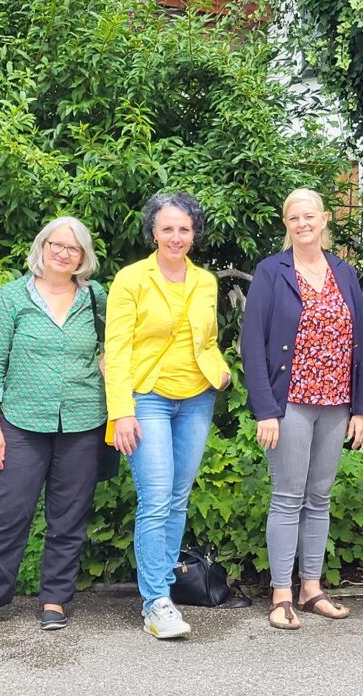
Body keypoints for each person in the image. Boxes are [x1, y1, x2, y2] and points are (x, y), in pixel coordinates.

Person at [0, 217, 106, 633]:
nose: (63, 253)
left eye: (72, 248)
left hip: (82, 420)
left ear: (83, 257)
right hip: (20, 422)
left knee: (69, 516)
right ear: (42, 247)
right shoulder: (12, 297)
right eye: (56, 244)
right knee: (11, 512)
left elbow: (115, 347)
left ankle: (55, 599)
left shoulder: (95, 297)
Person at [241, 188, 363, 630]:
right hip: (290, 402)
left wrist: (361, 408)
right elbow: (252, 344)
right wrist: (264, 409)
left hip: (336, 402)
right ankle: (281, 594)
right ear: (286, 224)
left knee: (319, 499)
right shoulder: (271, 271)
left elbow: (360, 343)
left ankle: (311, 587)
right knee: (287, 496)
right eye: (294, 217)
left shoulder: (344, 271)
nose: (303, 224)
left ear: (325, 220)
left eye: (310, 216)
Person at [105, 191, 231, 640]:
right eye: (167, 228)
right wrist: (121, 411)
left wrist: (221, 370)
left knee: (178, 497)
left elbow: (207, 339)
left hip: (197, 397)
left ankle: (164, 596)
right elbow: (116, 350)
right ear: (153, 232)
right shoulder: (130, 279)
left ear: (194, 233)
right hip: (147, 398)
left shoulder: (205, 282)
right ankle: (156, 601)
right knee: (156, 496)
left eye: (184, 228)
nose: (176, 237)